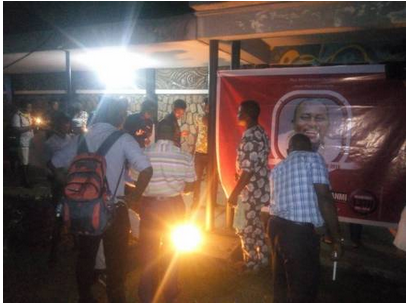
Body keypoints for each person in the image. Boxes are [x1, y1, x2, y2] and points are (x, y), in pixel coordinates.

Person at [51, 97, 153, 302]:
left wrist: (71, 188)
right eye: (123, 114)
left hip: (85, 208)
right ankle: (115, 298)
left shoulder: (82, 139)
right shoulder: (123, 139)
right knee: (116, 261)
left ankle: (85, 298)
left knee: (85, 257)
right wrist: (134, 197)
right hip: (114, 209)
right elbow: (147, 170)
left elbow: (54, 164)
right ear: (119, 116)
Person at [268, 133, 343, 302]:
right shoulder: (313, 158)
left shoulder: (278, 168)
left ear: (289, 150)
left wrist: (318, 224)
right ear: (309, 148)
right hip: (298, 234)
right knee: (303, 287)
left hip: (275, 226)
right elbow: (323, 197)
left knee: (281, 282)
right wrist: (336, 238)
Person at [137, 120, 196, 303]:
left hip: (150, 206)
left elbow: (134, 179)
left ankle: (146, 294)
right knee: (172, 249)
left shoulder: (144, 153)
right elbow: (191, 185)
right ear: (174, 134)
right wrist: (176, 185)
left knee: (148, 250)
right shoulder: (185, 156)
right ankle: (170, 292)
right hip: (173, 206)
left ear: (158, 133)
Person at [227, 100, 270, 272]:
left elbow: (248, 170)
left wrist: (234, 193)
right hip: (257, 189)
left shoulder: (251, 136)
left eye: (240, 112)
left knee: (244, 228)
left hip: (250, 192)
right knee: (256, 227)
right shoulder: (260, 132)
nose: (238, 115)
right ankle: (263, 258)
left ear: (248, 114)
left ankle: (251, 263)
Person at [278, 98, 342, 163]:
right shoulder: (280, 142)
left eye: (319, 118)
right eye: (305, 117)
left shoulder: (336, 149)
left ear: (328, 124)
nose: (312, 124)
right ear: (294, 122)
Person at [12, 101, 34, 187]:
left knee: (27, 162)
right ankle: (24, 182)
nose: (30, 109)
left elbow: (31, 128)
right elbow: (16, 130)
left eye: (31, 107)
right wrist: (30, 127)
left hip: (30, 142)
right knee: (24, 162)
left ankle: (27, 179)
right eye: (28, 107)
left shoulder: (28, 116)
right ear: (23, 107)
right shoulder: (17, 116)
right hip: (23, 142)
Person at [192, 97, 209, 211]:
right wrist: (193, 147)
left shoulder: (214, 117)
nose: (205, 107)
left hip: (211, 153)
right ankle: (195, 201)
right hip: (199, 152)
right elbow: (197, 133)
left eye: (206, 105)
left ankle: (211, 202)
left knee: (211, 180)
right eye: (204, 105)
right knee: (196, 179)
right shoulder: (199, 117)